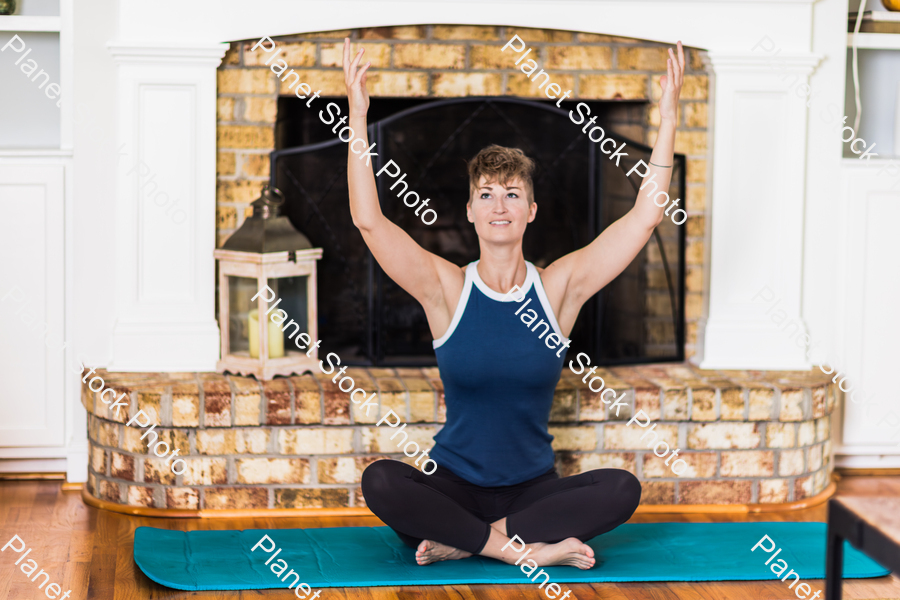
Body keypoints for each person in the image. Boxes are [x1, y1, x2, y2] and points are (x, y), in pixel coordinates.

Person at [341, 38, 685, 569]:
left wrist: (667, 121)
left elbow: (644, 215)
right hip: (451, 488)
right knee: (381, 480)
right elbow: (370, 220)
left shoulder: (558, 290)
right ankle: (521, 551)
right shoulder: (446, 288)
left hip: (531, 495)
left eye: (511, 194)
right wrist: (358, 119)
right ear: (471, 212)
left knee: (621, 488)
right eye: (486, 194)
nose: (499, 204)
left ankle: (469, 542)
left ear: (530, 211)